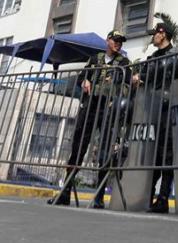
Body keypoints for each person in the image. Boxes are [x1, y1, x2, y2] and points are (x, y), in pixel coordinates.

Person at [48, 30, 131, 209]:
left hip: (108, 108)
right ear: (108, 40)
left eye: (121, 41)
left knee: (104, 151)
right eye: (116, 40)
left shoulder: (124, 63)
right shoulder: (95, 59)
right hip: (90, 106)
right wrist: (84, 81)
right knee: (78, 147)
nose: (118, 43)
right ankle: (65, 193)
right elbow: (82, 77)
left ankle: (99, 198)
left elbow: (127, 84)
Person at [133, 22, 178, 214]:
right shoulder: (153, 57)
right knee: (152, 153)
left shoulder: (174, 56)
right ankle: (149, 195)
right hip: (151, 109)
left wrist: (143, 77)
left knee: (166, 154)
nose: (153, 37)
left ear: (163, 34)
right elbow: (143, 77)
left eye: (155, 34)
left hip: (167, 109)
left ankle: (162, 198)